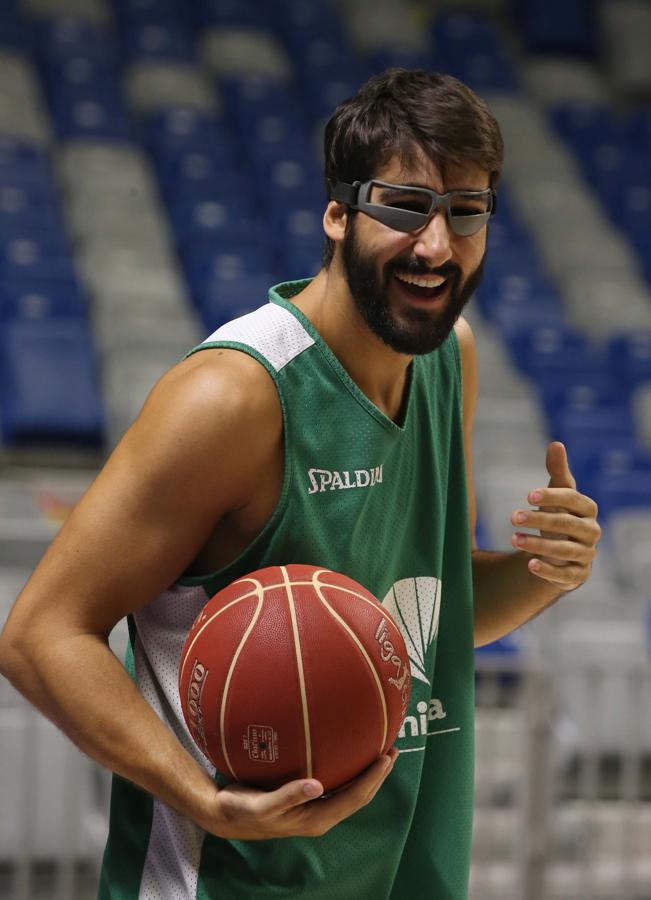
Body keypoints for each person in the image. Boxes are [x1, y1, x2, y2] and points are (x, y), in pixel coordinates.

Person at [0, 69, 601, 899]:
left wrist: (545, 573)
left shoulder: (447, 359)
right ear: (336, 215)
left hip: (398, 873)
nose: (435, 244)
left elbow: (420, 618)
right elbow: (40, 636)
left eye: (466, 213)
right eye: (402, 206)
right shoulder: (234, 396)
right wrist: (201, 797)